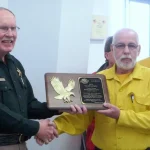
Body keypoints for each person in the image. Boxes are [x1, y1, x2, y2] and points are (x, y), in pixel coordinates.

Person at [47, 28, 150, 150]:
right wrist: (54, 127)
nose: (126, 51)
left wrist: (120, 115)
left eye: (132, 46)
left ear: (138, 50)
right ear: (112, 49)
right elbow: (82, 116)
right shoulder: (97, 80)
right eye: (120, 46)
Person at [0, 7, 63, 150]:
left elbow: (29, 106)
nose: (10, 34)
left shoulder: (14, 64)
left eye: (14, 28)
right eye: (4, 28)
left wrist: (59, 106)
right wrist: (35, 127)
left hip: (20, 144)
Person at [85, 36, 115, 150]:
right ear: (107, 55)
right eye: (116, 48)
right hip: (97, 141)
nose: (124, 52)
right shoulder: (92, 79)